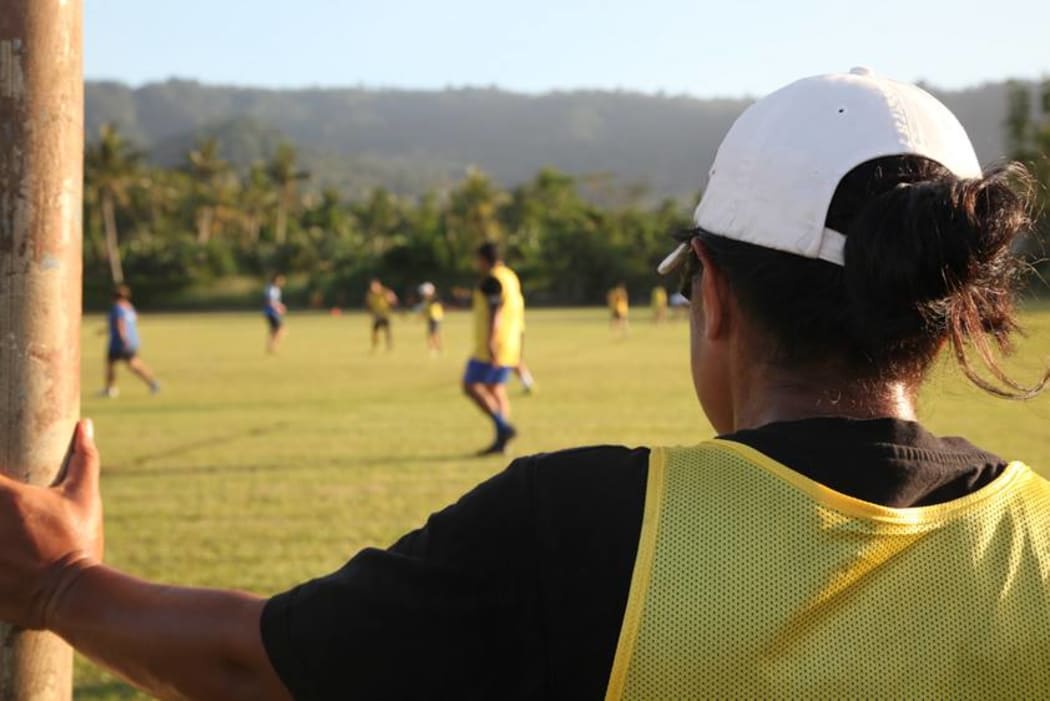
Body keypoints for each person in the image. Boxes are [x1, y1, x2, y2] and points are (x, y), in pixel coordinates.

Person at [1, 69, 1050, 700]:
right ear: (947, 306)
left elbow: (256, 667)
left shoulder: (581, 527)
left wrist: (60, 585)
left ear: (716, 294)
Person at [463, 242, 524, 455]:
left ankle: (503, 428)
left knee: (470, 385)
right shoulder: (510, 276)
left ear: (484, 259)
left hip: (493, 344)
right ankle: (502, 441)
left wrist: (490, 342)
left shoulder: (492, 279)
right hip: (511, 342)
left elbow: (495, 311)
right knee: (495, 389)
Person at [101, 285, 159, 397]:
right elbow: (133, 320)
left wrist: (123, 339)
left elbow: (120, 324)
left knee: (113, 364)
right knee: (132, 363)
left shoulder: (117, 308)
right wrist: (105, 330)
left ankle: (110, 390)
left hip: (120, 343)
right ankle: (153, 383)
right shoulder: (129, 307)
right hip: (133, 340)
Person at [365, 278, 398, 352]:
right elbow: (369, 304)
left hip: (384, 314)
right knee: (375, 331)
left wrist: (392, 300)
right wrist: (370, 312)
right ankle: (375, 345)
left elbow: (393, 299)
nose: (373, 288)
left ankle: (389, 345)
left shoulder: (385, 292)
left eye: (374, 286)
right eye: (372, 286)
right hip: (377, 315)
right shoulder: (370, 294)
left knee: (387, 330)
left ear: (379, 285)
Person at [263, 274, 287, 354]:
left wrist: (280, 306)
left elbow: (275, 301)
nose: (283, 282)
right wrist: (279, 307)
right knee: (281, 329)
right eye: (281, 280)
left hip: (273, 312)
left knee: (274, 330)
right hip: (271, 312)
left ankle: (270, 346)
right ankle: (273, 346)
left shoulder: (276, 289)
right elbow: (269, 301)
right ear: (276, 280)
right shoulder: (271, 289)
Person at [419, 281, 444, 355]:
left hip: (436, 318)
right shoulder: (428, 300)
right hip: (431, 318)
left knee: (435, 333)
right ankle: (431, 347)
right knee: (430, 333)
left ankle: (437, 347)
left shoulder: (434, 299)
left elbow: (434, 307)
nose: (424, 294)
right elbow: (426, 309)